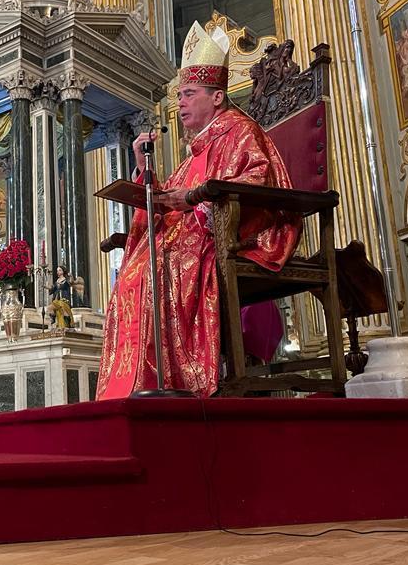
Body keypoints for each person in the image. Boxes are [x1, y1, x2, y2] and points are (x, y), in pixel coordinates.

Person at [97, 21, 301, 398]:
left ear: (218, 97)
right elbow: (171, 194)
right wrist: (145, 173)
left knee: (168, 264)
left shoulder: (241, 131)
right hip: (195, 233)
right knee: (135, 268)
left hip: (235, 233)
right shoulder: (199, 146)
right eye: (181, 96)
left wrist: (195, 201)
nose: (181, 104)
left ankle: (181, 381)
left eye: (189, 94)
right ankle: (140, 385)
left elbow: (256, 182)